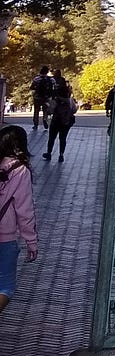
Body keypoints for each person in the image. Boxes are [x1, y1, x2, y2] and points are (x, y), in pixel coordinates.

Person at [0, 124, 41, 317]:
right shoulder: (20, 171)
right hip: (4, 237)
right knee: (5, 287)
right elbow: (24, 210)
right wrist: (31, 242)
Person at [44, 71, 77, 162]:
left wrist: (48, 106)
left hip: (56, 121)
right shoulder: (70, 101)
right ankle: (61, 155)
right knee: (63, 138)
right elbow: (74, 110)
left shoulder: (56, 100)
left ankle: (49, 153)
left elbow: (50, 111)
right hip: (66, 122)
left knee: (52, 138)